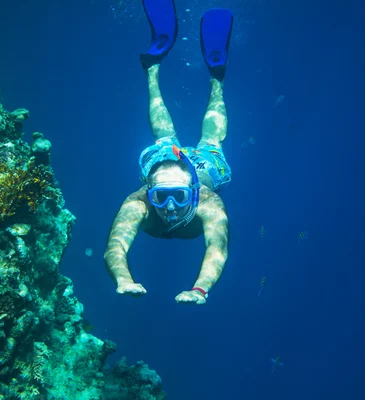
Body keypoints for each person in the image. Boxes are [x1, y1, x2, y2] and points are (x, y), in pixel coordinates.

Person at [104, 0, 234, 305]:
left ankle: (216, 78)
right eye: (161, 197)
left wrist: (200, 288)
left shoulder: (209, 204)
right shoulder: (137, 205)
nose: (171, 207)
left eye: (178, 195)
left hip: (202, 168)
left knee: (205, 140)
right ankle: (154, 68)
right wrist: (123, 279)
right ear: (149, 193)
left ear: (192, 192)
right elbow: (115, 247)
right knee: (178, 139)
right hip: (166, 161)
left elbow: (218, 248)